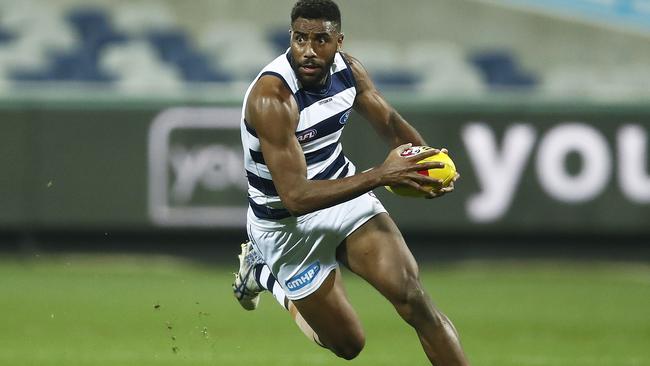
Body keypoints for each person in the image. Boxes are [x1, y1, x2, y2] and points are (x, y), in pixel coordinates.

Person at [233, 0, 469, 364]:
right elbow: (296, 196)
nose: (309, 51)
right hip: (286, 226)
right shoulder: (273, 98)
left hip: (345, 198)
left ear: (339, 41)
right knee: (348, 346)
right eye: (300, 39)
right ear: (290, 38)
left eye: (320, 40)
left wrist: (425, 164)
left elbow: (389, 124)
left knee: (414, 299)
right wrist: (382, 174)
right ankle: (264, 274)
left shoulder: (350, 72)